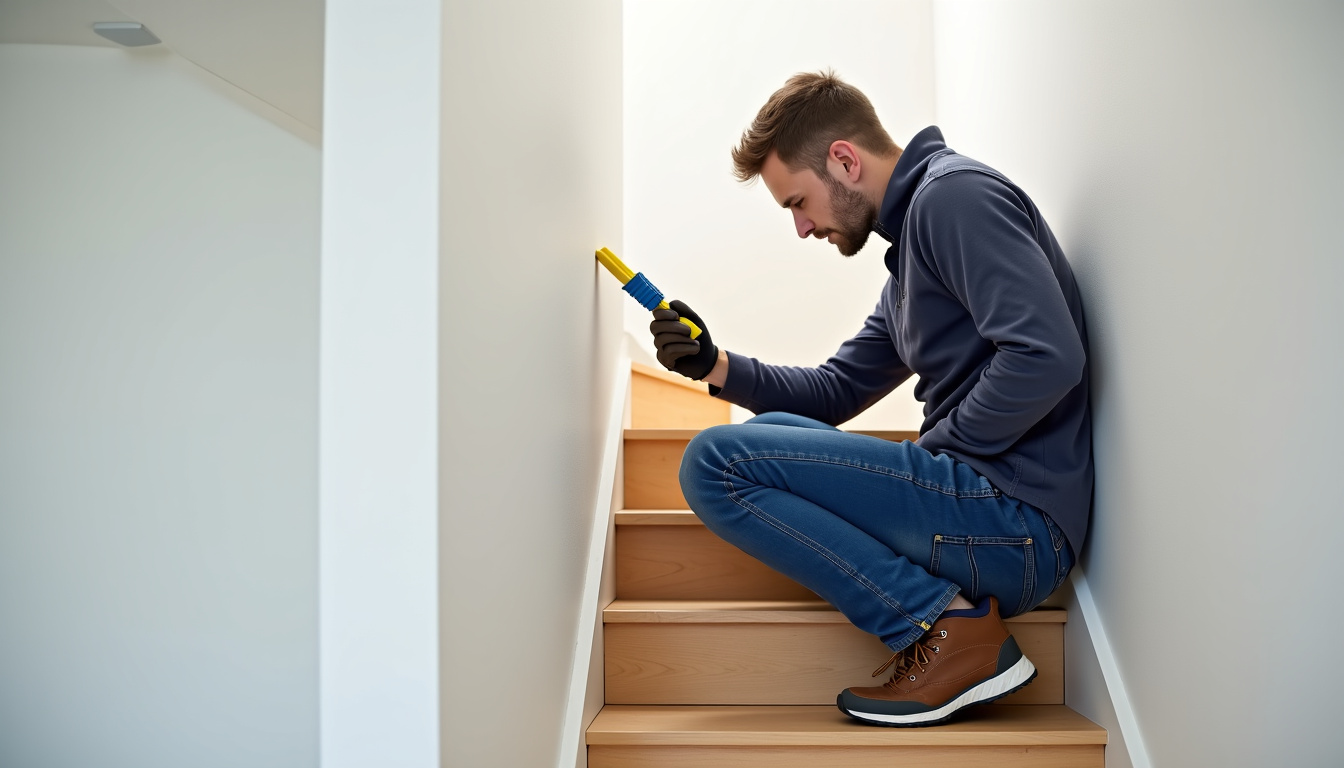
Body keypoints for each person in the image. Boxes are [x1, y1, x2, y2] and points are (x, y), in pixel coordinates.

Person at [648, 70, 1092, 727]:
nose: (801, 228)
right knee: (750, 447)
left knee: (716, 461)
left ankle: (948, 629)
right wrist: (714, 365)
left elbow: (1047, 355)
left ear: (844, 161)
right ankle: (949, 623)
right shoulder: (911, 252)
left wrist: (940, 452)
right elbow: (837, 391)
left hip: (1013, 521)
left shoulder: (955, 200)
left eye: (797, 202)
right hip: (987, 510)